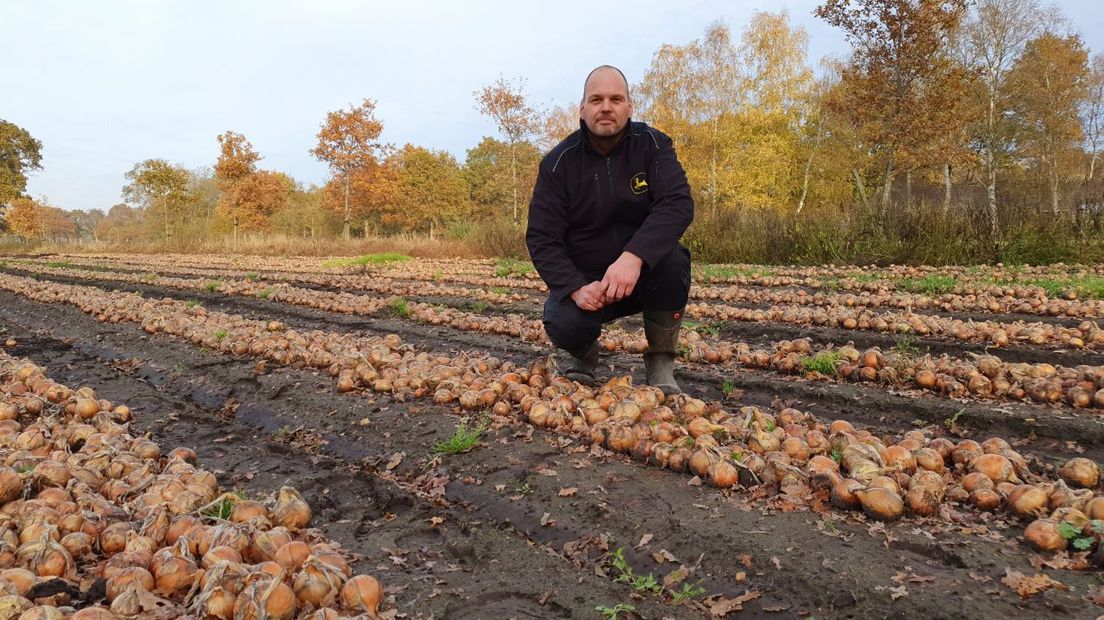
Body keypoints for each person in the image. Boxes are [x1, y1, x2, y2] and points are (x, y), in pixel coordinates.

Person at [526, 65, 694, 394]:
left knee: (674, 262)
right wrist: (575, 287)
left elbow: (677, 203)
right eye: (596, 99)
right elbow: (542, 238)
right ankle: (584, 356)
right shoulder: (557, 163)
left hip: (641, 274)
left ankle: (661, 361)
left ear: (629, 107)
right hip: (588, 280)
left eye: (616, 99)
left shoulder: (653, 145)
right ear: (582, 108)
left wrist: (634, 257)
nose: (606, 107)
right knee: (563, 323)